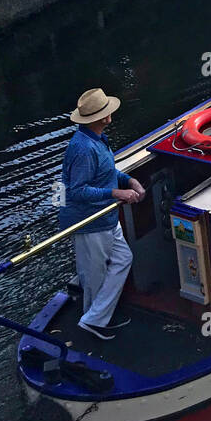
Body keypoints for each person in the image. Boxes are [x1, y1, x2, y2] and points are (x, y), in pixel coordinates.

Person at [60, 88, 144, 340]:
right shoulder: (84, 149)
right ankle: (93, 323)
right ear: (103, 118)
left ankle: (95, 317)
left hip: (104, 218)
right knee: (94, 274)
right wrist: (116, 194)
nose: (110, 117)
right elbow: (76, 191)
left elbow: (107, 173)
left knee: (122, 259)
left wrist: (129, 181)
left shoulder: (97, 139)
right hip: (90, 221)